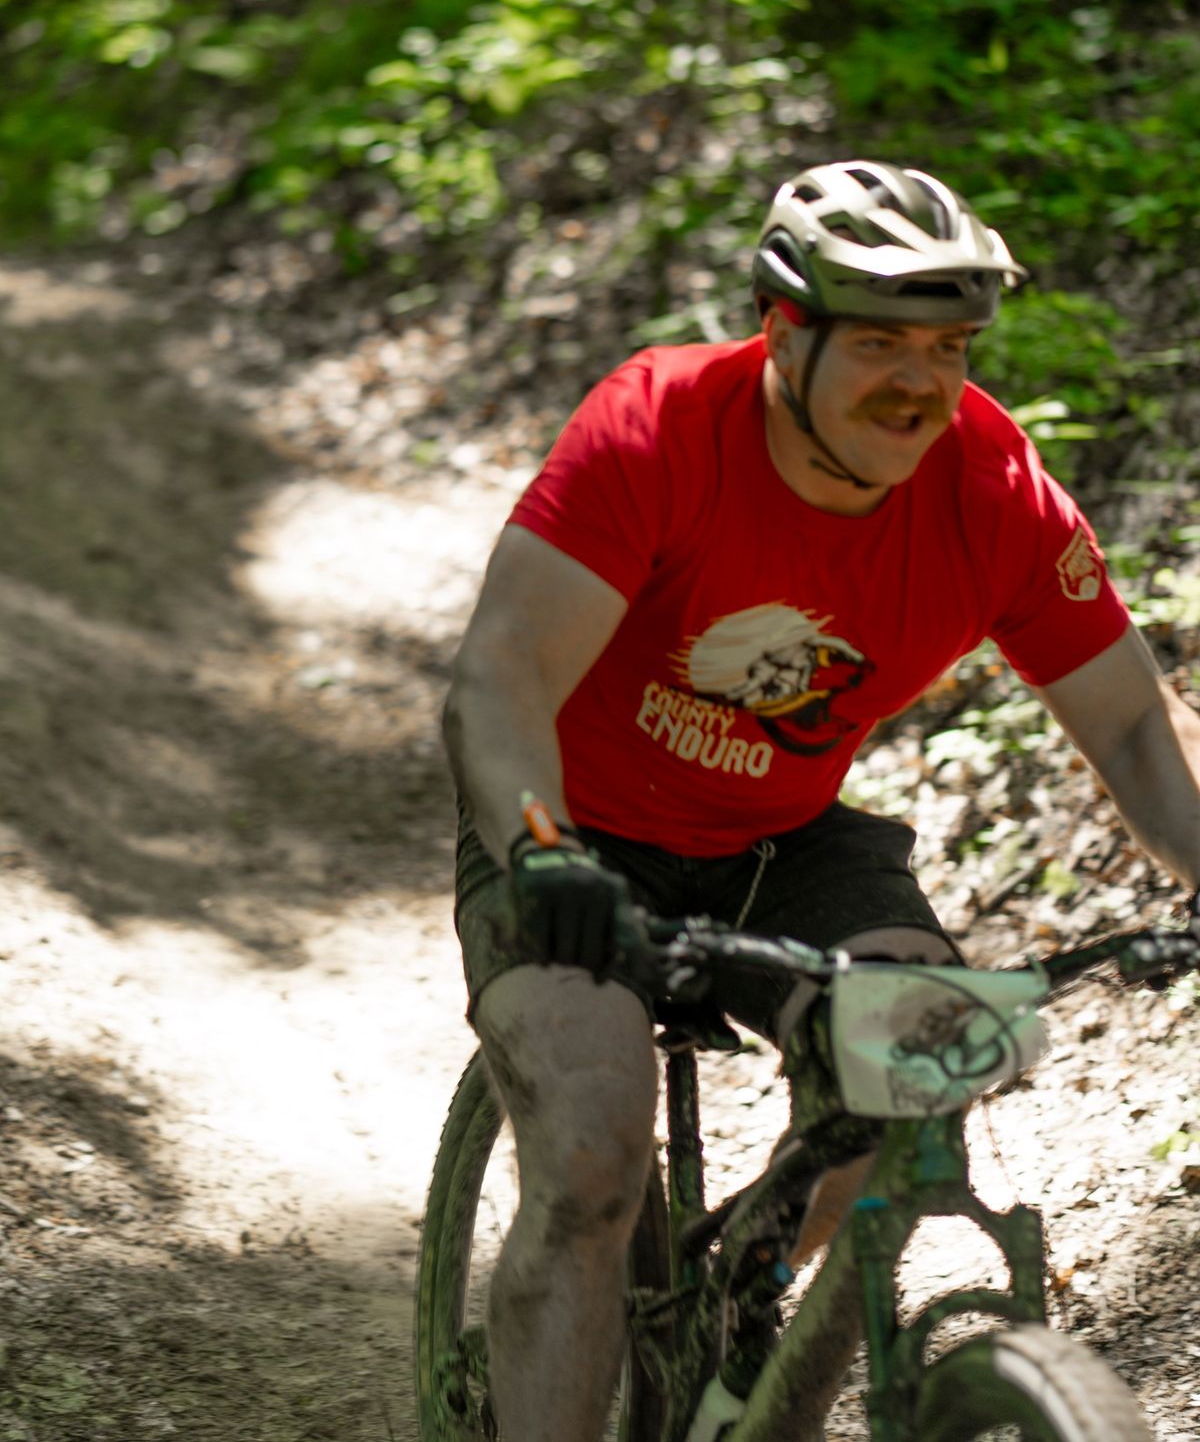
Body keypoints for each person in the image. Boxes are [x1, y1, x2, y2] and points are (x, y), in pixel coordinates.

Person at [442, 159, 1200, 1442]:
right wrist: (537, 850)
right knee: (587, 1150)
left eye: (950, 346)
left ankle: (745, 1320)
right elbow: (499, 679)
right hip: (573, 833)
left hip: (783, 842)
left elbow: (1134, 721)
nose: (922, 382)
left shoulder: (989, 491)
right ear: (785, 334)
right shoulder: (662, 426)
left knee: (920, 1072)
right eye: (884, 343)